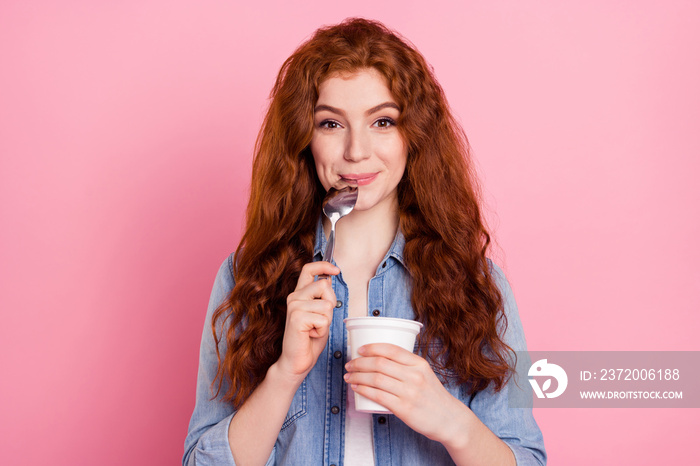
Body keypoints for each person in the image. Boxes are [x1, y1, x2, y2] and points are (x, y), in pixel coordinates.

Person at [184, 18, 546, 466]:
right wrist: (284, 374)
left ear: (414, 135)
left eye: (382, 121)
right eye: (332, 124)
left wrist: (450, 421)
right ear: (304, 139)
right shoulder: (248, 278)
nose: (356, 151)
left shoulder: (474, 283)